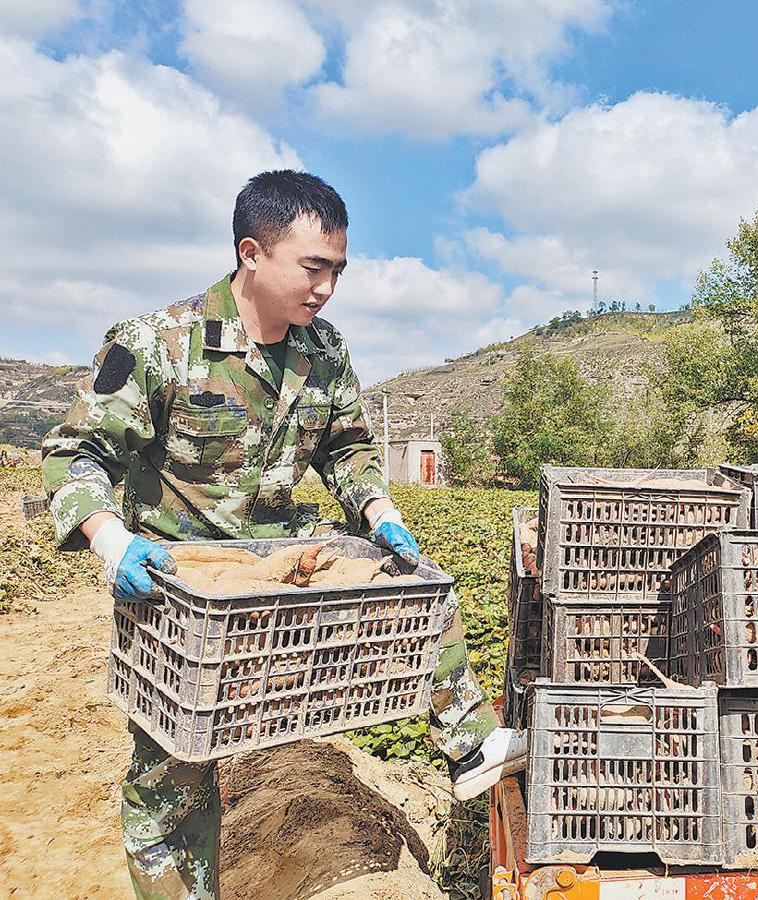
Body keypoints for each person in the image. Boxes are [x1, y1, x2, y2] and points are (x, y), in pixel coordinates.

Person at [41, 170, 525, 900]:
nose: (327, 287)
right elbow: (77, 452)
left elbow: (347, 448)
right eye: (313, 267)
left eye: (337, 270)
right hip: (184, 578)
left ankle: (469, 743)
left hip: (285, 557)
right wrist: (113, 543)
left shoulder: (323, 348)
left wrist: (378, 513)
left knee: (415, 583)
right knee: (173, 770)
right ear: (251, 254)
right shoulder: (157, 343)